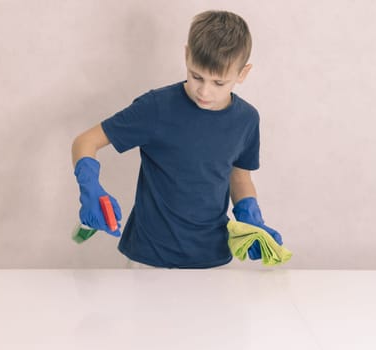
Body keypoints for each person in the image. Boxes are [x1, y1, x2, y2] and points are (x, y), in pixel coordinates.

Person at [71, 10, 283, 268]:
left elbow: (239, 176)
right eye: (197, 76)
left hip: (212, 257)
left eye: (219, 82)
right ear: (186, 55)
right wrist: (90, 187)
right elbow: (86, 141)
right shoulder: (156, 108)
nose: (204, 91)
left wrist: (250, 216)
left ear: (243, 73)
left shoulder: (247, 120)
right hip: (148, 258)